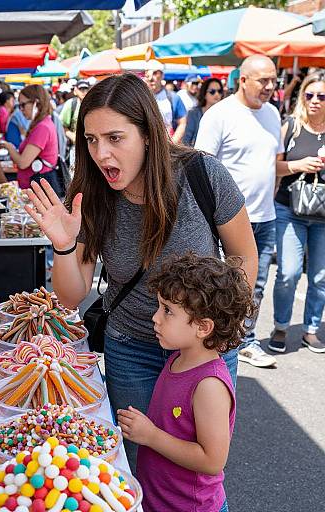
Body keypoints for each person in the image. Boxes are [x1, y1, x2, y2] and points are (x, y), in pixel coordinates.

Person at [25, 73, 258, 469]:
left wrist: (215, 333)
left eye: (115, 138)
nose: (101, 154)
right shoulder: (90, 193)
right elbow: (70, 295)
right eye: (91, 139)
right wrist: (63, 245)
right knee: (138, 462)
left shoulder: (202, 174)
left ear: (148, 134)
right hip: (130, 348)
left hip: (203, 350)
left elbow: (243, 257)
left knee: (197, 465)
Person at [118, 253, 255, 512]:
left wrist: (151, 436)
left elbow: (213, 460)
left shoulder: (210, 385)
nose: (155, 318)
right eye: (159, 306)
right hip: (161, 500)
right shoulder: (178, 358)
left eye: (167, 311)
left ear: (203, 327)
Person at [195, 54, 283, 368]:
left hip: (265, 216)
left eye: (273, 80)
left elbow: (274, 164)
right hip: (226, 220)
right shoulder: (220, 115)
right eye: (263, 80)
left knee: (255, 284)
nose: (270, 86)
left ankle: (243, 338)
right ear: (242, 80)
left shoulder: (273, 114)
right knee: (220, 281)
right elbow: (201, 167)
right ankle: (212, 339)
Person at [269, 72, 325, 354]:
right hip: (289, 208)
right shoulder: (290, 126)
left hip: (323, 217)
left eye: (321, 96)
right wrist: (299, 164)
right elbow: (273, 167)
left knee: (319, 276)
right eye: (309, 94)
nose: (315, 100)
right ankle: (281, 326)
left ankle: (310, 330)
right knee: (288, 272)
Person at [0, 85, 61, 195]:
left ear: (36, 103)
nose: (20, 109)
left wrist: (7, 146)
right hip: (37, 186)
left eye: (23, 105)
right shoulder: (42, 124)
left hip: (39, 187)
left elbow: (23, 163)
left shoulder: (42, 127)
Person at [145, 61, 187, 144]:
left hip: (167, 144)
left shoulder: (173, 97)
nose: (151, 78)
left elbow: (182, 122)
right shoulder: (140, 97)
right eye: (148, 73)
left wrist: (172, 143)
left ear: (162, 75)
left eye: (155, 73)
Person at [183, 78, 224, 147]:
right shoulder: (194, 113)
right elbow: (187, 140)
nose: (216, 94)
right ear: (204, 93)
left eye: (219, 91)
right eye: (212, 91)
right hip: (197, 154)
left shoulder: (225, 114)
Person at [60, 79, 90, 165]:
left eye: (86, 89)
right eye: (81, 89)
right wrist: (73, 137)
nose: (84, 91)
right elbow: (62, 125)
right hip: (76, 147)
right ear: (75, 91)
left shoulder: (93, 104)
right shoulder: (71, 104)